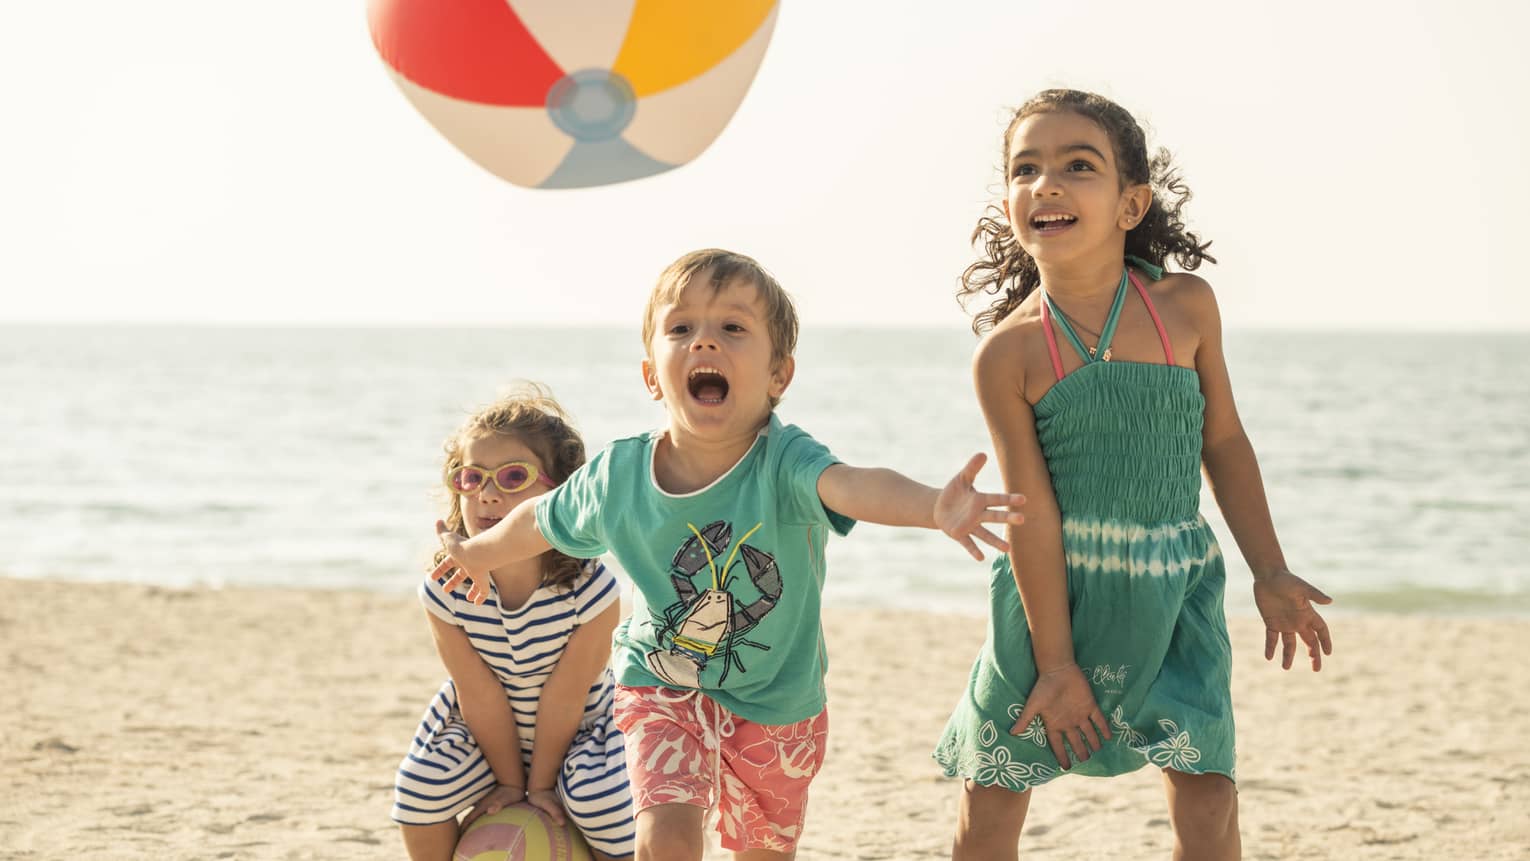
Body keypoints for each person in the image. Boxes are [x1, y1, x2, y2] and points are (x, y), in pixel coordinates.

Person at [430, 248, 1027, 861]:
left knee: (764, 849)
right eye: (681, 328)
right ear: (651, 376)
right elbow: (541, 519)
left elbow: (853, 485)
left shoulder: (786, 461)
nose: (705, 343)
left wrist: (933, 506)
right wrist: (478, 553)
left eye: (733, 328)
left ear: (779, 377)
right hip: (660, 684)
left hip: (777, 698)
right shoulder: (619, 475)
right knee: (666, 832)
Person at [932, 89, 1334, 861]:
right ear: (1011, 201)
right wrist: (1055, 662)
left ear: (1130, 203)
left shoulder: (1185, 309)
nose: (1047, 183)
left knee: (1209, 793)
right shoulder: (1008, 356)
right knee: (992, 792)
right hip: (1052, 592)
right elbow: (1032, 515)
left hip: (1172, 585)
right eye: (1026, 168)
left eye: (1078, 166)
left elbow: (1224, 441)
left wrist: (1270, 568)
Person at [392, 389, 634, 860]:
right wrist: (508, 781)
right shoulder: (446, 591)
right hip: (483, 727)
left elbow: (566, 696)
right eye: (471, 477)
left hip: (581, 726)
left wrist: (539, 788)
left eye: (513, 476)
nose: (488, 493)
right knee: (420, 788)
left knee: (601, 801)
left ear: (560, 495)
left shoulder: (591, 590)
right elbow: (477, 693)